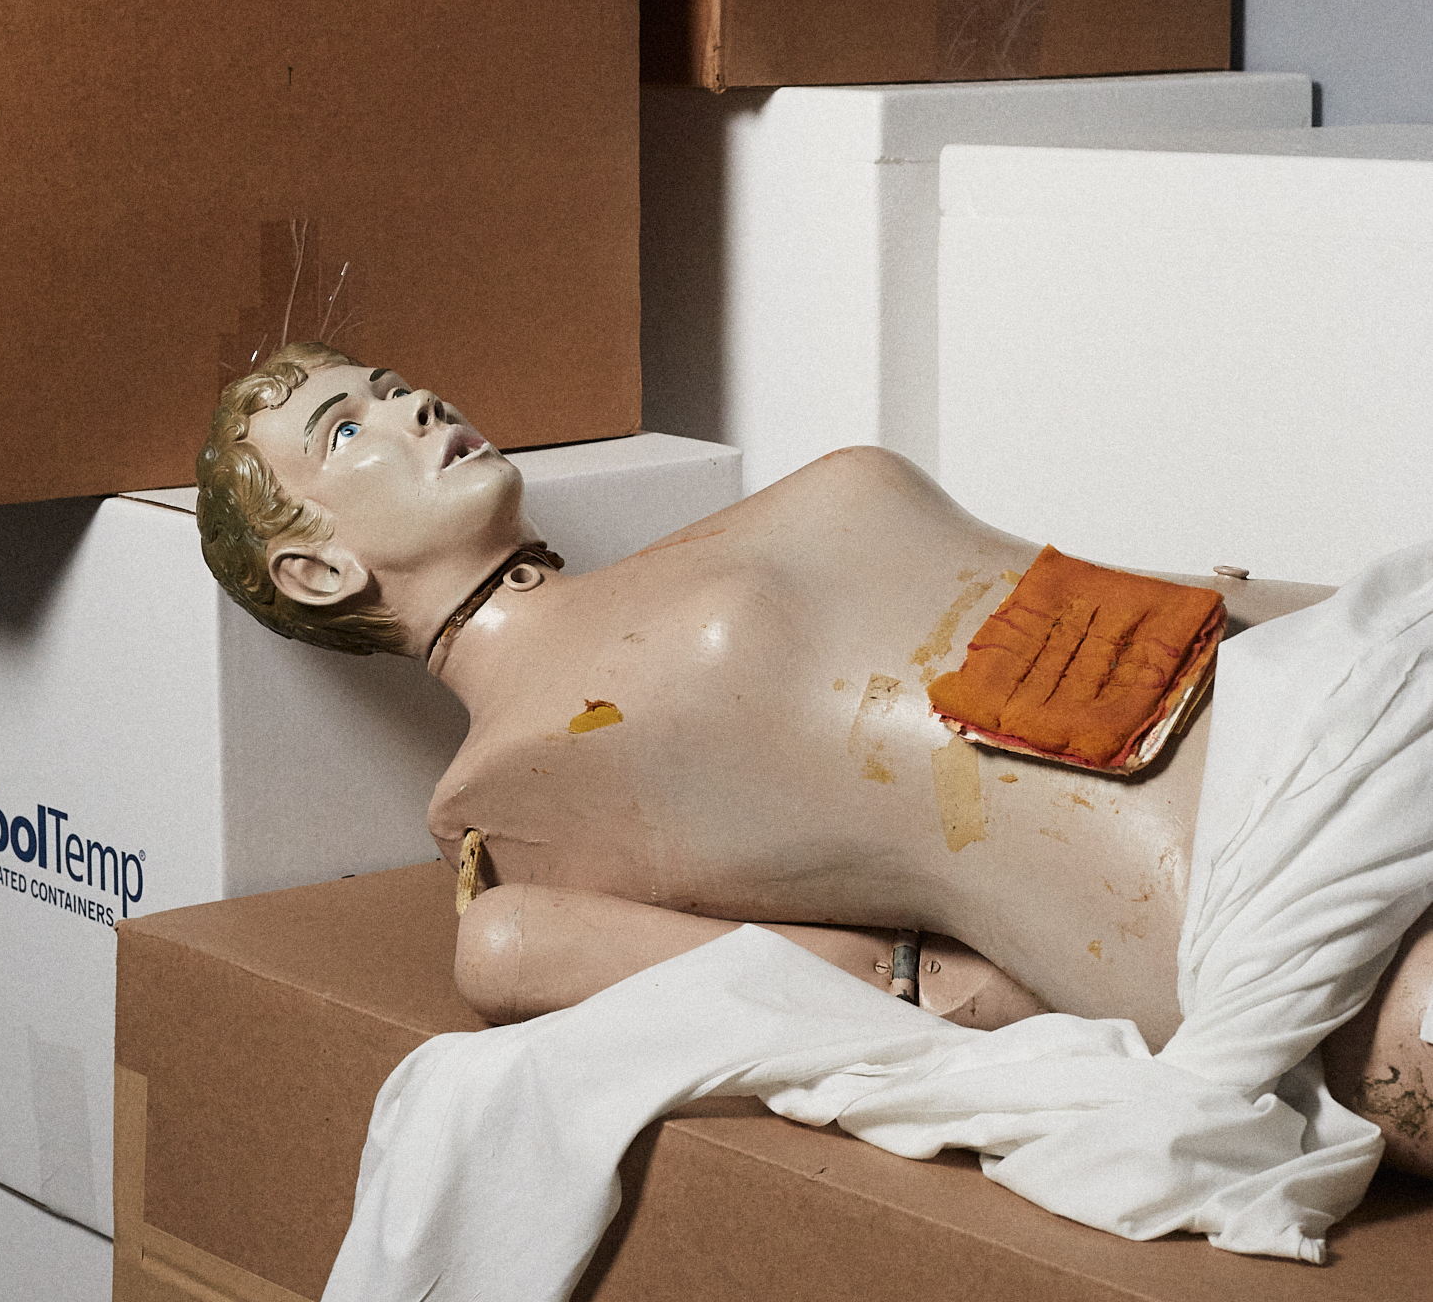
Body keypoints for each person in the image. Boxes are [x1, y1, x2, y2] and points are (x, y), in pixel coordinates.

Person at [196, 340, 1433, 1181]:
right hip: (1243, 879)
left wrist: (1340, 609)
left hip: (1334, 675)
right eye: (346, 426)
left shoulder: (690, 551)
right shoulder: (505, 807)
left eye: (394, 385)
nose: (414, 404)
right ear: (319, 568)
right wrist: (956, 988)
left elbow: (1095, 590)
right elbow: (534, 953)